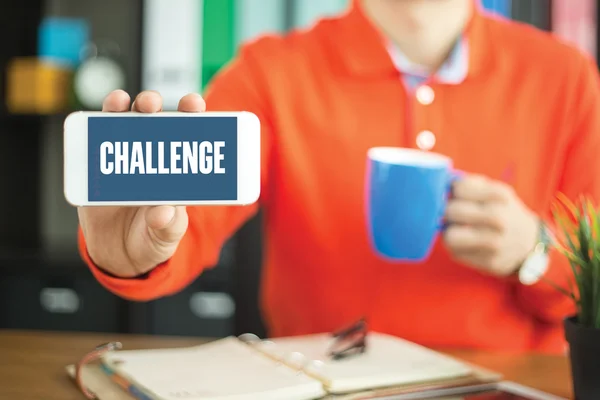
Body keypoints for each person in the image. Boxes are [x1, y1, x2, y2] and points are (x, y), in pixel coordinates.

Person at [77, 0, 600, 354]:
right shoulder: (269, 72)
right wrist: (134, 253)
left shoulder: (568, 78)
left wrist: (535, 252)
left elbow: (591, 284)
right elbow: (187, 222)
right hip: (324, 382)